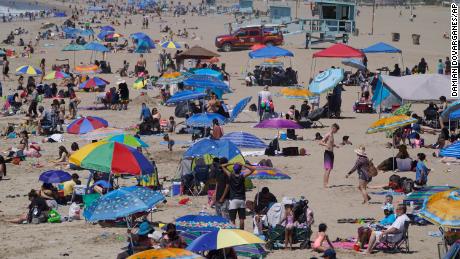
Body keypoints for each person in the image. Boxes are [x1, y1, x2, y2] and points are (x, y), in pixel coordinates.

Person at [221, 162, 256, 229]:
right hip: (241, 199)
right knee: (241, 218)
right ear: (240, 170)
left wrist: (232, 163)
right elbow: (253, 169)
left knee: (232, 219)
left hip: (233, 199)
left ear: (234, 170)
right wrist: (243, 164)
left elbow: (222, 166)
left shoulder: (230, 175)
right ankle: (241, 231)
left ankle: (234, 231)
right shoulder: (242, 176)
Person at [320, 123, 340, 188]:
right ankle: (325, 184)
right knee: (327, 169)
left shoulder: (332, 135)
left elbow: (330, 143)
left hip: (331, 153)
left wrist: (335, 145)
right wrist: (326, 145)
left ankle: (325, 183)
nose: (336, 132)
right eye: (336, 130)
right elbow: (320, 142)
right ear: (333, 128)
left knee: (329, 169)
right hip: (327, 153)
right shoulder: (328, 134)